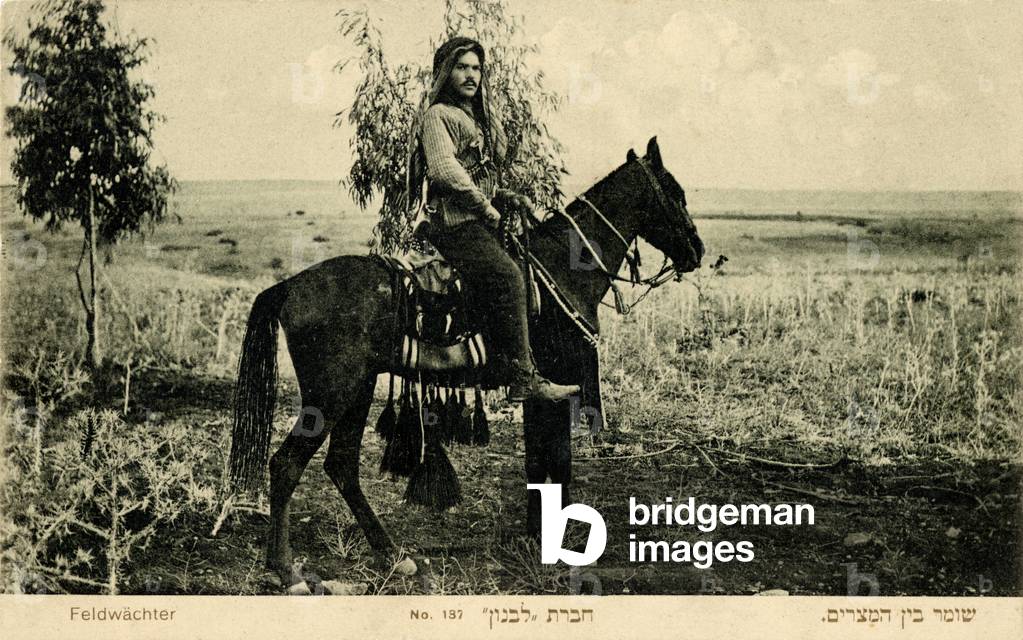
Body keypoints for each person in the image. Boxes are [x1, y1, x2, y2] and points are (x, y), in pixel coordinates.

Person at [405, 36, 579, 402]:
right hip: (453, 226)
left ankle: (501, 359)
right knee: (508, 276)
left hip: (475, 224)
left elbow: (481, 180)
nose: (471, 75)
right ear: (444, 72)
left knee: (531, 272)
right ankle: (522, 378)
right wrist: (486, 208)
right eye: (461, 67)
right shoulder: (438, 117)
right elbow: (444, 172)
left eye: (476, 68)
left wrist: (507, 197)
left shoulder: (477, 120)